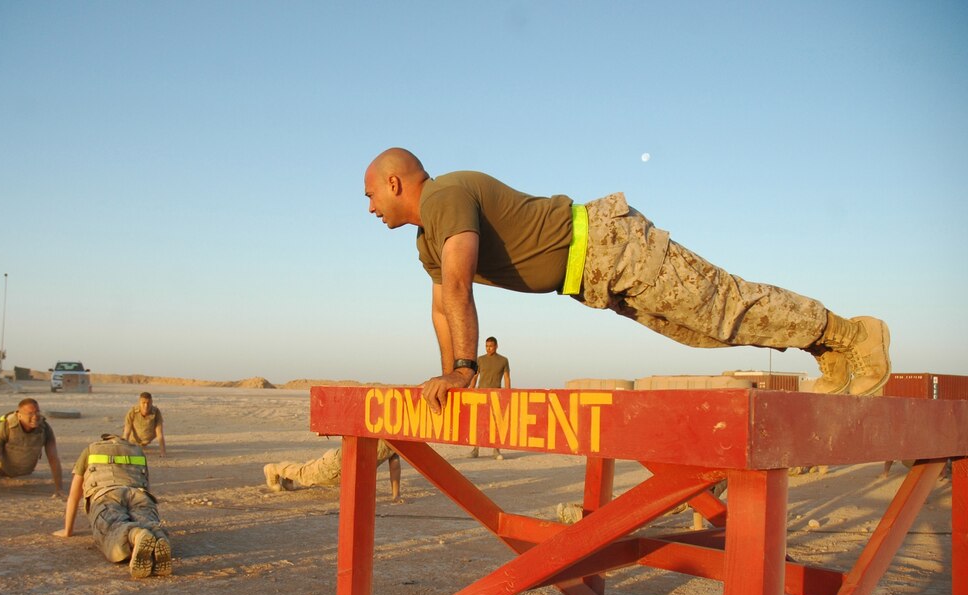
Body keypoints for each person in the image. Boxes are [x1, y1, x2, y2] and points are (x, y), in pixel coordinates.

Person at [363, 148, 892, 413]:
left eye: (371, 195)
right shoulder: (425, 239)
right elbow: (440, 308)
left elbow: (458, 287)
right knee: (708, 332)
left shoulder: (444, 196)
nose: (370, 208)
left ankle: (854, 336)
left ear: (395, 182)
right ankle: (831, 351)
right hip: (596, 278)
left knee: (722, 307)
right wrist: (449, 386)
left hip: (611, 245)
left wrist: (461, 370)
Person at [53, 434, 171, 578]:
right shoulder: (137, 451)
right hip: (139, 494)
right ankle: (158, 537)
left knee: (112, 528)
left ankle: (136, 535)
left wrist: (68, 530)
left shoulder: (91, 450)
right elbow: (146, 485)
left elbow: (74, 495)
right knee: (149, 522)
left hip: (107, 495)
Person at [0, 398, 63, 500]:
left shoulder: (44, 429)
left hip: (25, 470)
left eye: (37, 412)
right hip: (0, 468)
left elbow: (53, 458)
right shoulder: (5, 428)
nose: (35, 417)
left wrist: (59, 489)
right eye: (30, 414)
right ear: (19, 415)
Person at [264, 439, 403, 501]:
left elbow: (395, 466)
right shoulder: (384, 433)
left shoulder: (395, 442)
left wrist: (395, 496)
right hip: (337, 465)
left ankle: (288, 478)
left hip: (346, 468)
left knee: (308, 472)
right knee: (307, 475)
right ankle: (274, 469)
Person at [469, 336, 511, 460]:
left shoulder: (503, 360)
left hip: (496, 396)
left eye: (491, 346)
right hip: (481, 395)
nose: (489, 348)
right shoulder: (480, 360)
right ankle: (475, 449)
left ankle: (496, 450)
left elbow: (507, 378)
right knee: (479, 423)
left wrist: (508, 394)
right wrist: (471, 388)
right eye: (487, 346)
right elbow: (475, 376)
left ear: (496, 346)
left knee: (496, 424)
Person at [123, 392, 167, 457]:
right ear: (139, 403)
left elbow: (159, 433)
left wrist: (163, 452)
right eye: (143, 403)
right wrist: (124, 451)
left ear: (152, 402)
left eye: (148, 403)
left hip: (147, 440)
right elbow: (127, 432)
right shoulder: (132, 412)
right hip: (132, 440)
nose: (146, 406)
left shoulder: (156, 412)